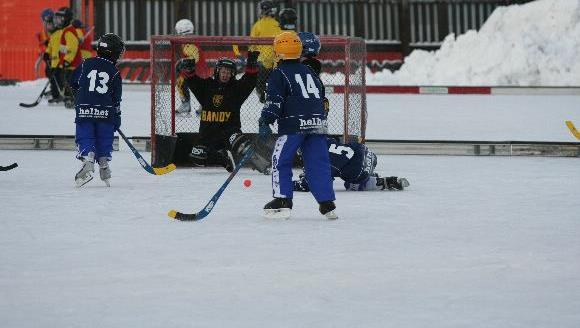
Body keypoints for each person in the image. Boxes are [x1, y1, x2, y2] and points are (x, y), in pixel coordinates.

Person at [259, 31, 337, 220]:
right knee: (318, 163)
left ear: (279, 52)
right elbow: (320, 95)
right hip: (316, 124)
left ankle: (282, 200)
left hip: (293, 126)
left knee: (281, 161)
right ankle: (327, 204)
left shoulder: (279, 74)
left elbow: (274, 101)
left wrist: (266, 120)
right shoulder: (310, 71)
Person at [178, 53, 270, 174]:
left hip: (229, 131)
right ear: (217, 71)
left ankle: (265, 166)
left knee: (244, 147)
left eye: (228, 72)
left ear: (232, 74)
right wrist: (189, 70)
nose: (225, 74)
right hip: (207, 134)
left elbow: (249, 80)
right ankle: (222, 158)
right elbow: (193, 81)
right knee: (197, 157)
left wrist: (251, 63)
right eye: (223, 71)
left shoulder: (236, 88)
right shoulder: (207, 86)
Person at [69, 33, 125, 187]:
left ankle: (87, 159)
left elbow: (73, 81)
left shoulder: (85, 63)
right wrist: (117, 117)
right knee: (104, 137)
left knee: (85, 135)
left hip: (85, 109)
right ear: (113, 52)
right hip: (106, 111)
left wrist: (79, 96)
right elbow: (116, 99)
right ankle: (104, 164)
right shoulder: (114, 72)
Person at [293, 137, 410, 192]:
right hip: (366, 152)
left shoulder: (321, 158)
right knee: (349, 178)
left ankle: (373, 180)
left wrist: (291, 184)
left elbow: (313, 184)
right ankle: (386, 180)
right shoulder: (325, 142)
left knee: (352, 183)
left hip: (358, 169)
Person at [249, 0, 282, 103]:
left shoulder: (257, 25)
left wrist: (251, 56)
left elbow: (252, 44)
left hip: (262, 60)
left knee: (261, 83)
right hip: (276, 60)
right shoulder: (278, 24)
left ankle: (262, 96)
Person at [173, 18, 204, 114]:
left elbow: (196, 58)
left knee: (180, 82)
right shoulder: (189, 42)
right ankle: (203, 105)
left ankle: (186, 104)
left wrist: (183, 62)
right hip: (199, 71)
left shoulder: (188, 44)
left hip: (197, 72)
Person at [55, 7, 83, 108]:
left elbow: (73, 46)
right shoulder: (66, 30)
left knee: (70, 81)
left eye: (60, 18)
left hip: (72, 63)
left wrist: (67, 60)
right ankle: (69, 98)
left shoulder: (68, 31)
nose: (57, 21)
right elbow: (65, 48)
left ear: (65, 19)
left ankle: (73, 99)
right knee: (67, 81)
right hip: (69, 63)